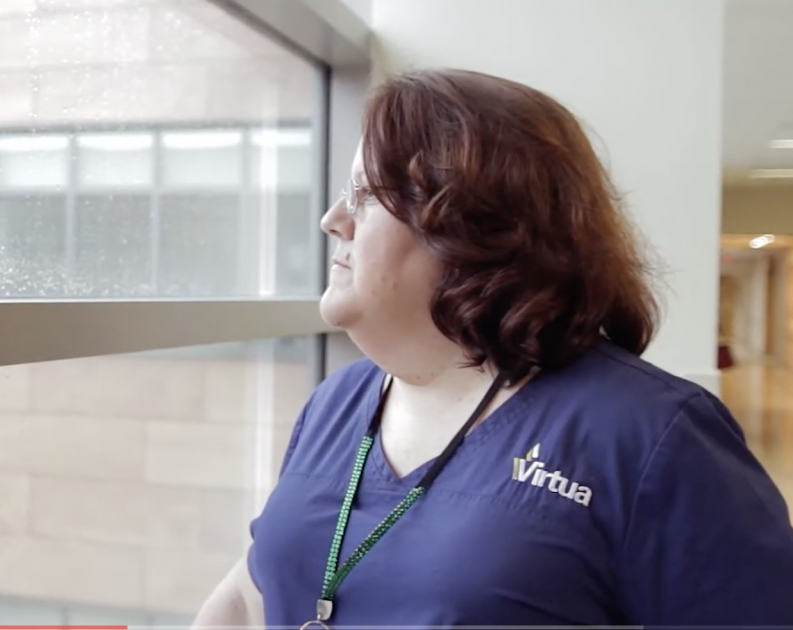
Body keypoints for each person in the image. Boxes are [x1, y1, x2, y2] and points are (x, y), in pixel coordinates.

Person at [192, 68, 793, 628]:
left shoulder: (649, 434)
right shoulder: (337, 401)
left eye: (367, 195)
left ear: (474, 226)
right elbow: (250, 593)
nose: (332, 219)